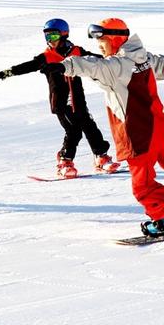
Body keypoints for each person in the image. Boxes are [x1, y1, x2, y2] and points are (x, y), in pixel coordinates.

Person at [43, 18, 164, 237]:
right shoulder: (143, 58)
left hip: (138, 133)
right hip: (159, 126)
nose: (99, 45)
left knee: (142, 185)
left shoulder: (116, 66)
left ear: (116, 39)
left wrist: (64, 65)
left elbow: (91, 65)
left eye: (102, 39)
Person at [0, 18, 119, 179]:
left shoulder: (77, 52)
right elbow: (28, 66)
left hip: (78, 100)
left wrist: (116, 59)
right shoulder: (46, 56)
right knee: (74, 131)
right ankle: (65, 162)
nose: (49, 40)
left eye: (53, 36)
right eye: (47, 37)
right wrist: (9, 72)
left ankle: (101, 157)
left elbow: (96, 60)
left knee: (90, 127)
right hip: (60, 103)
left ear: (64, 35)